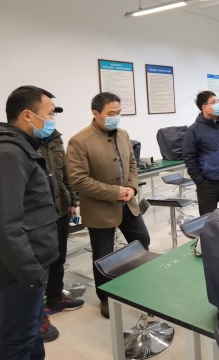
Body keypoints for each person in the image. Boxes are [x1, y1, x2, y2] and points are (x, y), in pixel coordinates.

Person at [0, 85, 60, 359]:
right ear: (28, 115)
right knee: (18, 341)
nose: (52, 120)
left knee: (31, 333)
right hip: (17, 271)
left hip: (26, 264)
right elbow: (3, 226)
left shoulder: (18, 148)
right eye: (49, 114)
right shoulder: (5, 155)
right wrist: (31, 274)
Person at [66, 92, 149, 319]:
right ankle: (105, 297)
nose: (116, 117)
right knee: (103, 255)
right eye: (111, 113)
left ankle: (135, 283)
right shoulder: (80, 141)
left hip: (128, 203)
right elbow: (78, 179)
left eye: (118, 112)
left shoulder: (123, 134)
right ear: (96, 113)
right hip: (100, 208)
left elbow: (132, 164)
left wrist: (131, 187)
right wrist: (114, 192)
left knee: (142, 241)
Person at [38, 122, 84, 342]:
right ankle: (37, 315)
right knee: (40, 263)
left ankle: (55, 297)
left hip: (61, 209)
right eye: (48, 113)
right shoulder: (24, 144)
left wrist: (72, 200)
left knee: (59, 257)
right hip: (39, 213)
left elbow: (64, 174)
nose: (51, 119)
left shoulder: (56, 140)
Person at [183, 91, 219, 215]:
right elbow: (189, 157)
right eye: (214, 102)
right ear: (204, 107)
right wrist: (200, 181)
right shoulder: (193, 130)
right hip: (207, 184)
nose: (218, 104)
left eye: (218, 101)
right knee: (208, 220)